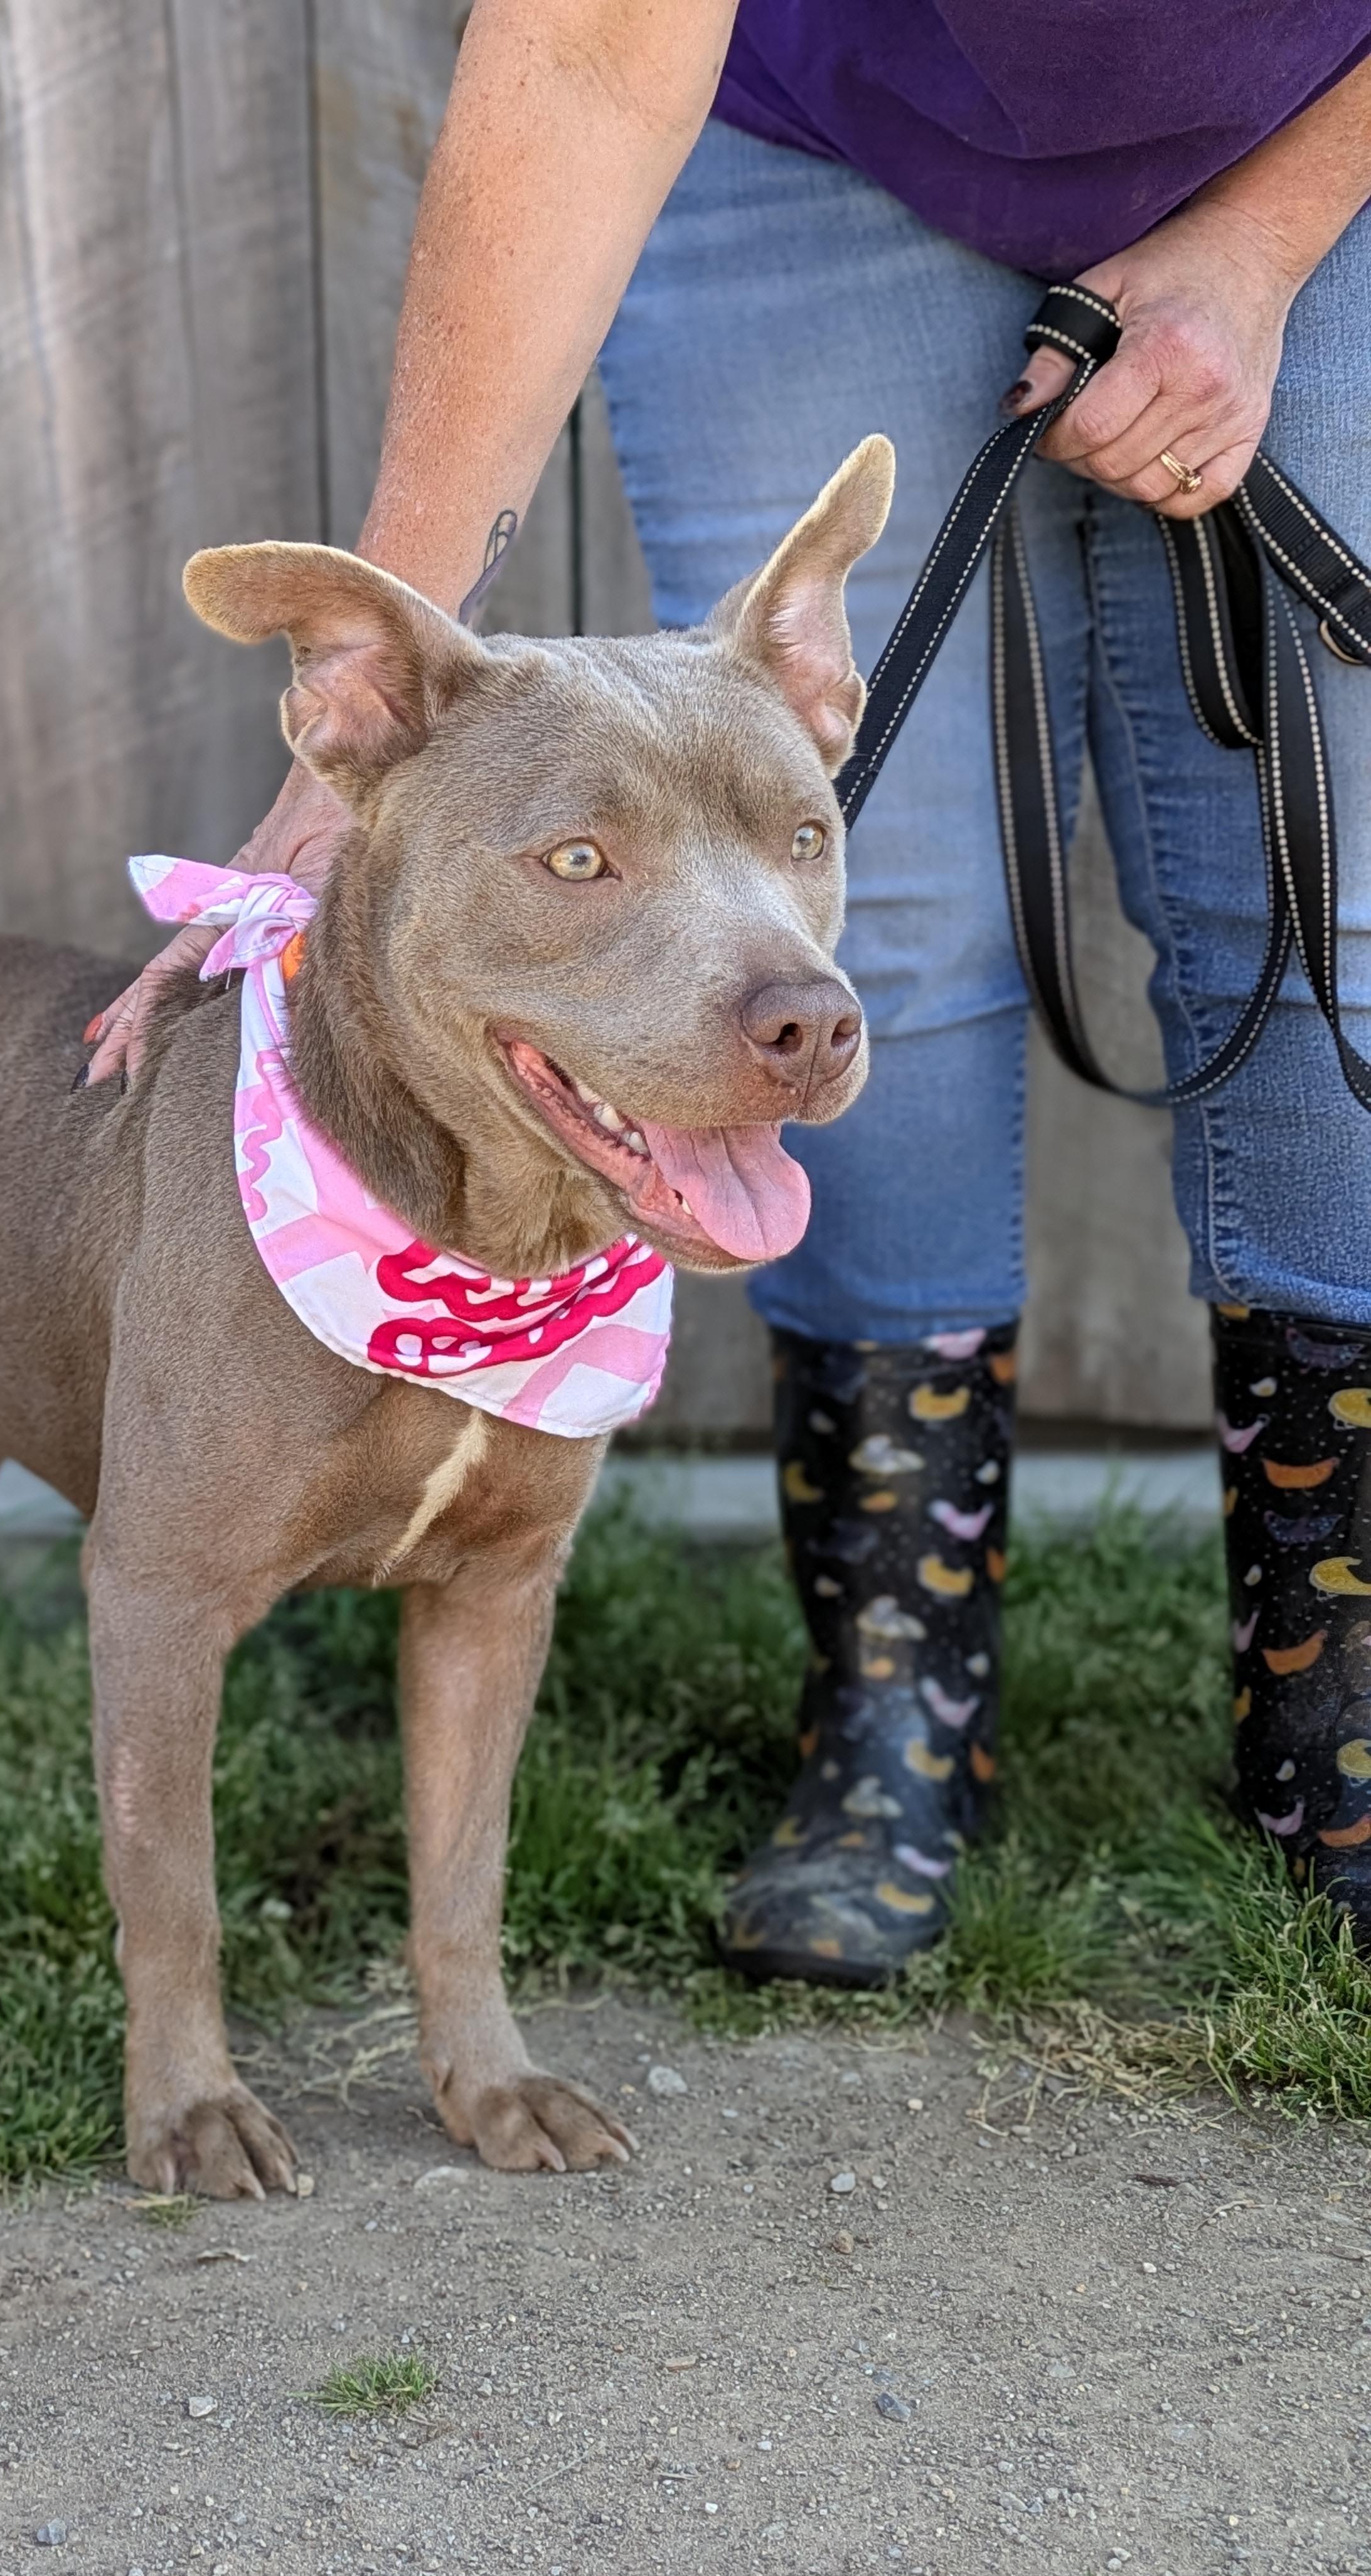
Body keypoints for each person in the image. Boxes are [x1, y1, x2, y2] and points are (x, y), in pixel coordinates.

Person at [84, 2, 1371, 1976]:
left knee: (1327, 907)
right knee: (862, 938)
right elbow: (591, 47)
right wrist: (376, 742)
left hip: (1328, 123)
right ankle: (892, 1714)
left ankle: (1336, 1723)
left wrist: (1271, 237)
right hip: (820, 137)